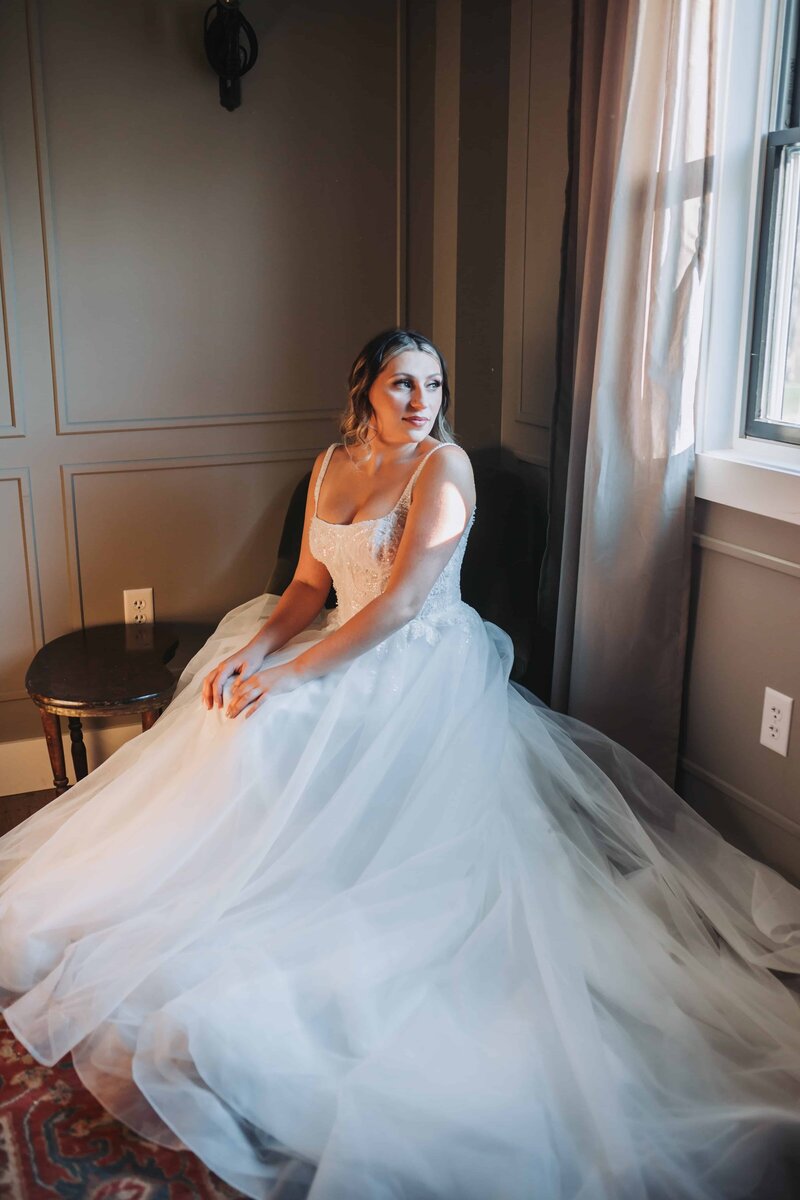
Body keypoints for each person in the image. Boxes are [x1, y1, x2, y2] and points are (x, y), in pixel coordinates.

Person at [1, 327, 799, 1200]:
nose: (422, 402)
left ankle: (306, 903)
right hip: (333, 635)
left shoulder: (442, 471)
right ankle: (229, 885)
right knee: (226, 712)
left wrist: (293, 678)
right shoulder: (331, 465)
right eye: (401, 386)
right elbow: (309, 588)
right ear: (364, 394)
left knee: (279, 726)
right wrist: (255, 655)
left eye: (434, 384)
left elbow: (401, 605)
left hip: (416, 656)